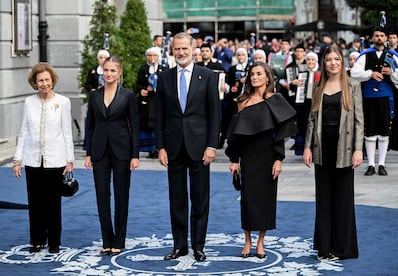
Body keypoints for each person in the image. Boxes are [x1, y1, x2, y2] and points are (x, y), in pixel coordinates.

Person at [155, 32, 222, 262]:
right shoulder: (164, 78)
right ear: (172, 51)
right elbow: (159, 116)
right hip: (173, 147)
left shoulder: (208, 76)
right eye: (177, 49)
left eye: (185, 49)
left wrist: (212, 145)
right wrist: (161, 147)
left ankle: (198, 246)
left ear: (193, 49)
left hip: (200, 147)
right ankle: (179, 245)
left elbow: (215, 115)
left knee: (200, 198)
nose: (181, 53)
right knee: (177, 199)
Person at [225, 62, 296, 259]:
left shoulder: (276, 100)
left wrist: (279, 159)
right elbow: (236, 135)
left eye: (259, 74)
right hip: (248, 157)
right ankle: (247, 241)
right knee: (247, 201)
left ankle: (261, 242)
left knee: (266, 201)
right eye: (252, 74)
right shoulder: (243, 101)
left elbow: (280, 133)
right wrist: (234, 160)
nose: (255, 77)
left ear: (267, 77)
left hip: (268, 157)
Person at [303, 46, 364, 261]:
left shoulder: (353, 86)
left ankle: (342, 248)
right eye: (328, 59)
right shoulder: (318, 85)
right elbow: (311, 119)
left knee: (343, 199)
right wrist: (307, 146)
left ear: (343, 61)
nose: (333, 63)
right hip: (322, 149)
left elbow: (359, 121)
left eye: (336, 59)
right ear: (324, 62)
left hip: (345, 149)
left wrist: (358, 149)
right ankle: (324, 246)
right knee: (324, 198)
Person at [13, 62, 75, 254]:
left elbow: (67, 133)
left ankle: (54, 242)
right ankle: (37, 240)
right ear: (35, 82)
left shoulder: (63, 102)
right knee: (35, 203)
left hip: (55, 160)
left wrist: (70, 160)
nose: (44, 83)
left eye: (47, 79)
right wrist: (17, 160)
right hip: (32, 160)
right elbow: (23, 131)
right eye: (40, 80)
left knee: (53, 204)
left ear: (53, 80)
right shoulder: (28, 102)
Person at [84, 56, 140, 257]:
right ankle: (106, 240)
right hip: (99, 151)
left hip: (122, 151)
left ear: (119, 73)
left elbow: (134, 126)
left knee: (121, 195)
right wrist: (88, 152)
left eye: (112, 71)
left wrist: (135, 155)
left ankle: (119, 240)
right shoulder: (94, 96)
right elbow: (90, 125)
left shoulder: (127, 96)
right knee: (101, 196)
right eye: (105, 70)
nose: (108, 74)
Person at [350, 26, 398, 176]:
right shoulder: (365, 55)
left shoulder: (393, 56)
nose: (379, 38)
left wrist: (392, 72)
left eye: (382, 35)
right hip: (368, 97)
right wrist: (370, 73)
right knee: (369, 131)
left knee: (384, 132)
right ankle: (371, 164)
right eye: (376, 35)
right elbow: (354, 73)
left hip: (386, 97)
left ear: (386, 38)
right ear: (372, 38)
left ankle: (382, 164)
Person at [135, 47, 167, 159]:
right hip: (147, 101)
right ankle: (149, 149)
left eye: (154, 55)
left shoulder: (164, 69)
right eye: (150, 55)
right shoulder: (143, 69)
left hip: (158, 100)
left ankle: (158, 147)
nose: (152, 58)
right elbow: (138, 84)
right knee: (146, 124)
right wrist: (142, 90)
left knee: (158, 123)